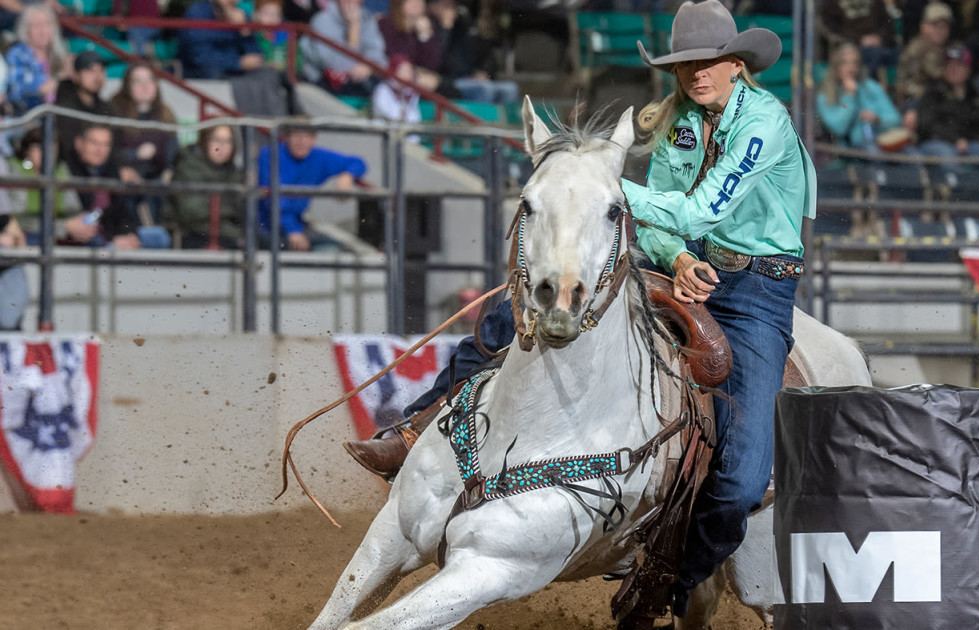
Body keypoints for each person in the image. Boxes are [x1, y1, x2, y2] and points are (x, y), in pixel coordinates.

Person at [346, 1, 812, 620]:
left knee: (743, 480)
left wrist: (600, 188)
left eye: (711, 61)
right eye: (687, 63)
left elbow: (699, 208)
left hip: (756, 291)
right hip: (688, 268)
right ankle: (417, 426)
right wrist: (674, 258)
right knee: (517, 310)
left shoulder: (764, 121)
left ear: (737, 64)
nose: (698, 73)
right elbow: (673, 220)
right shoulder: (677, 124)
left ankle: (671, 576)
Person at [257, 123, 367, 251]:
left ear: (314, 139)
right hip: (264, 226)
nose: (302, 142)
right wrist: (292, 229)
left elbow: (358, 162)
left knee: (330, 247)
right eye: (297, 136)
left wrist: (347, 176)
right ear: (286, 138)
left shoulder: (317, 157)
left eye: (307, 137)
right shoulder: (271, 154)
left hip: (297, 225)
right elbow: (274, 199)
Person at [916, 44, 979, 178]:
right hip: (937, 143)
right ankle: (952, 195)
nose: (953, 70)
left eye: (959, 65)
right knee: (948, 156)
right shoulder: (933, 92)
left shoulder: (974, 95)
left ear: (968, 69)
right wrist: (953, 139)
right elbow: (927, 124)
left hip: (969, 145)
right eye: (949, 65)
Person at [111, 62, 179, 231]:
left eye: (149, 80)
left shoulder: (166, 113)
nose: (145, 86)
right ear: (127, 85)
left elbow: (174, 154)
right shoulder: (114, 110)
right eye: (138, 81)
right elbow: (107, 152)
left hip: (157, 182)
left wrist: (170, 171)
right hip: (125, 178)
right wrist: (133, 156)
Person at [61, 124, 143, 249]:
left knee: (158, 237)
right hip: (86, 239)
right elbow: (78, 220)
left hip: (110, 236)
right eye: (94, 143)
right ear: (79, 143)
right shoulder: (66, 170)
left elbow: (123, 213)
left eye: (106, 144)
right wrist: (112, 241)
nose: (100, 150)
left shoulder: (110, 169)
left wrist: (128, 235)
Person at [168, 124, 246, 249]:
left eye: (228, 141)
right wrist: (228, 209)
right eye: (217, 140)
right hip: (189, 235)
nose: (222, 147)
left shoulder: (235, 174)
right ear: (205, 141)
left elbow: (244, 212)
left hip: (224, 233)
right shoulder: (188, 167)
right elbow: (191, 213)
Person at [816, 43, 904, 152]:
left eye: (854, 63)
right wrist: (849, 95)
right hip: (851, 149)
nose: (851, 68)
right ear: (836, 67)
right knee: (873, 151)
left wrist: (877, 119)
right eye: (845, 63)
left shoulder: (871, 87)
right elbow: (839, 128)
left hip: (881, 140)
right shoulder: (825, 96)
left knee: (910, 153)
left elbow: (895, 119)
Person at [6, 128, 80, 244]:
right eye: (39, 147)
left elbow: (74, 210)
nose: (46, 152)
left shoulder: (61, 170)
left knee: (96, 242)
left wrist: (83, 223)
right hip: (27, 236)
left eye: (52, 147)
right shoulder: (15, 170)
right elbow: (20, 220)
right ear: (27, 150)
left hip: (59, 235)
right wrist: (63, 227)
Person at [302, 0, 387, 97]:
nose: (351, 2)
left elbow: (379, 57)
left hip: (358, 87)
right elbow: (335, 65)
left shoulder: (367, 20)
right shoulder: (321, 21)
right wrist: (354, 27)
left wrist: (368, 68)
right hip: (324, 89)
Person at [4, 3, 69, 113]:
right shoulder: (17, 54)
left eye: (47, 25)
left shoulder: (59, 53)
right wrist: (42, 88)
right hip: (25, 119)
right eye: (36, 26)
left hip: (55, 118)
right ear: (26, 30)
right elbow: (14, 91)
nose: (43, 31)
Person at [55, 51, 116, 163]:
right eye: (90, 70)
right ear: (75, 75)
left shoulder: (107, 108)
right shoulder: (62, 108)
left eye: (101, 70)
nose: (97, 76)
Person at [179, 0, 264, 79]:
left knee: (268, 74)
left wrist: (245, 31)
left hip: (236, 73)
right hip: (200, 73)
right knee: (213, 73)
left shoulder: (242, 16)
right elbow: (199, 56)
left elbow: (255, 56)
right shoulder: (197, 13)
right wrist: (237, 63)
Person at [817, 0, 898, 80]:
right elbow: (829, 29)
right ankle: (867, 88)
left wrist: (879, 38)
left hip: (877, 45)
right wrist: (860, 40)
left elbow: (888, 24)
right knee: (872, 55)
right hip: (848, 46)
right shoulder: (831, 4)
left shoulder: (877, 3)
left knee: (896, 55)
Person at [897, 1, 952, 111]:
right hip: (917, 100)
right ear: (923, 26)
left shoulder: (950, 48)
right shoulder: (915, 49)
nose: (940, 30)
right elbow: (905, 87)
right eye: (935, 25)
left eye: (944, 26)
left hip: (942, 98)